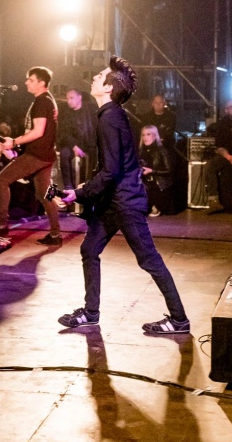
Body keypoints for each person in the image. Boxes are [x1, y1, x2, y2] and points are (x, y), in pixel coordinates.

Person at [58, 56, 190, 335]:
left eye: (99, 76)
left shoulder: (110, 119)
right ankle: (91, 313)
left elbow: (111, 171)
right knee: (89, 249)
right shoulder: (111, 115)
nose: (94, 77)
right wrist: (85, 193)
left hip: (126, 202)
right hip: (113, 202)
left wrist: (79, 193)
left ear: (107, 88)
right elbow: (109, 169)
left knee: (149, 259)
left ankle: (179, 320)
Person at [0, 66, 61, 244]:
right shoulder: (48, 100)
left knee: (1, 180)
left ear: (42, 83)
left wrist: (14, 142)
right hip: (46, 155)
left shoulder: (41, 102)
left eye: (31, 80)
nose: (26, 82)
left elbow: (38, 131)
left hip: (36, 155)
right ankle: (56, 235)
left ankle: (2, 225)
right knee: (45, 195)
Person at [58, 88, 97, 190]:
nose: (69, 101)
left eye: (71, 98)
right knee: (64, 153)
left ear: (79, 98)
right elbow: (64, 133)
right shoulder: (66, 113)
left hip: (90, 144)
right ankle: (68, 186)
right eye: (67, 98)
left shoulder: (91, 110)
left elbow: (94, 129)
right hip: (73, 145)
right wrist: (74, 146)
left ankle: (90, 185)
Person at [138, 125, 175, 216]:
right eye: (143, 135)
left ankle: (155, 206)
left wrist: (152, 171)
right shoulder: (141, 151)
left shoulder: (161, 150)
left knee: (149, 189)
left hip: (160, 184)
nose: (145, 137)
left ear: (154, 136)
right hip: (146, 181)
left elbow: (169, 170)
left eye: (148, 134)